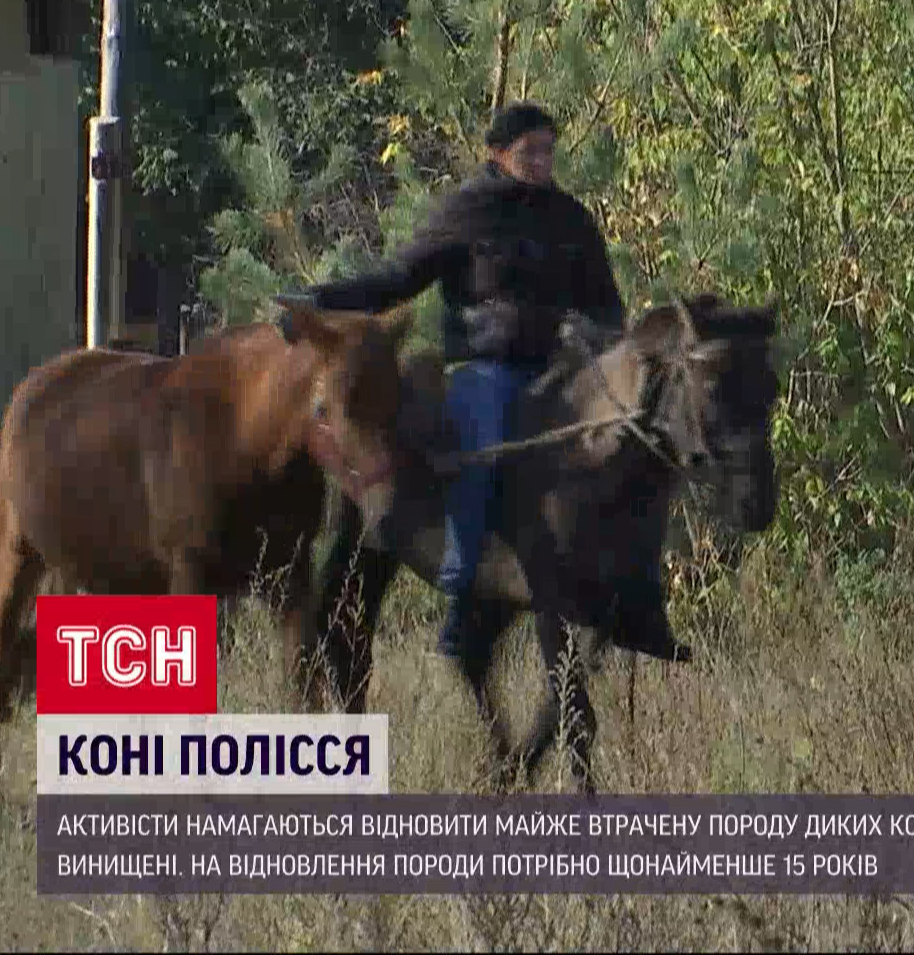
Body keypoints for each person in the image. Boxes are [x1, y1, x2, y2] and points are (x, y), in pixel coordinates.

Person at [283, 101, 688, 663]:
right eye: (531, 152)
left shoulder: (571, 219)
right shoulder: (466, 212)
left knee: (634, 446)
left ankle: (641, 600)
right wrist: (321, 302)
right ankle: (462, 585)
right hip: (486, 368)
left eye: (549, 150)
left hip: (565, 370)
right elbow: (399, 278)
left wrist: (594, 334)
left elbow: (608, 308)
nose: (544, 162)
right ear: (497, 154)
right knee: (485, 446)